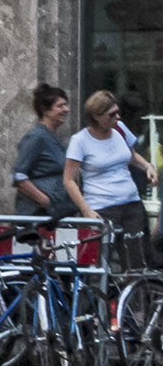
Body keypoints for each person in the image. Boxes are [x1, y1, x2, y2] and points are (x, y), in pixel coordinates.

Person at [65, 89, 155, 271]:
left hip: (131, 204)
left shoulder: (119, 129)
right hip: (102, 207)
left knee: (138, 262)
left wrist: (147, 166)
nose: (118, 117)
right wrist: (86, 210)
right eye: (112, 114)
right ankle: (95, 299)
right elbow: (68, 180)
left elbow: (131, 155)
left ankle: (135, 298)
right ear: (97, 117)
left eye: (118, 112)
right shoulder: (80, 141)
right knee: (98, 265)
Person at [13, 83, 71, 219]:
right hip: (37, 216)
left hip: (53, 214)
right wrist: (45, 201)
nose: (66, 109)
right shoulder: (36, 137)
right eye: (60, 106)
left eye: (66, 105)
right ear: (45, 110)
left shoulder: (52, 137)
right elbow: (19, 176)